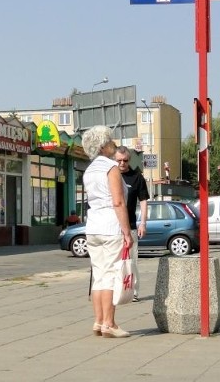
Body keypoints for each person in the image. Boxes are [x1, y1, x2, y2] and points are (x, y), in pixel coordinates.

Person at [82, 125, 133, 339]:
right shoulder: (110, 168)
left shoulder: (89, 170)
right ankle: (109, 323)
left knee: (99, 275)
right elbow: (118, 202)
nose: (114, 144)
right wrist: (127, 232)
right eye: (111, 141)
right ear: (103, 145)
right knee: (112, 275)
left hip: (92, 227)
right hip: (111, 227)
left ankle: (98, 321)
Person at [114, 146, 150, 302]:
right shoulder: (111, 175)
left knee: (131, 260)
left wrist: (143, 223)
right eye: (119, 160)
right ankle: (116, 289)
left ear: (129, 160)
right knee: (114, 260)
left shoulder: (137, 177)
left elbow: (143, 201)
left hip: (131, 226)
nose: (122, 163)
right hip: (113, 227)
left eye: (125, 160)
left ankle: (133, 291)